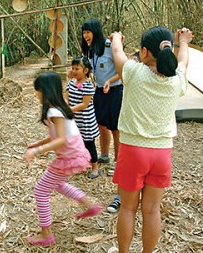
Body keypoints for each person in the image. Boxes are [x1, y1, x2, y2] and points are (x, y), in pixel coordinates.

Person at [107, 26, 193, 253]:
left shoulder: (134, 72)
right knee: (152, 211)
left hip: (133, 150)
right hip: (162, 153)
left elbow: (117, 52)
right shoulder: (176, 81)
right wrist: (183, 42)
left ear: (144, 51)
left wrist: (116, 38)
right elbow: (183, 62)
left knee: (127, 208)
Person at [23, 71, 103, 247]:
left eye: (37, 91)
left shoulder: (53, 111)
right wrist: (38, 143)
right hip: (74, 154)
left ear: (44, 91)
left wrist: (36, 151)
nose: (36, 95)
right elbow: (59, 135)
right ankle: (89, 204)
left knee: (40, 191)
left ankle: (46, 235)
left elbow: (61, 140)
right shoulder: (60, 107)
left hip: (69, 157)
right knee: (58, 184)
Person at [81, 18, 122, 213]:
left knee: (115, 128)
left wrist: (110, 81)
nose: (86, 36)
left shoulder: (109, 46)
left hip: (114, 90)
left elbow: (123, 69)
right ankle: (104, 155)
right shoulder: (90, 50)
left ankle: (118, 162)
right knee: (101, 125)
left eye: (88, 32)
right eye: (83, 33)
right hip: (99, 90)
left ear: (96, 31)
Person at [66, 57, 101, 179]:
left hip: (86, 122)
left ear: (85, 70)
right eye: (73, 68)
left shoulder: (88, 86)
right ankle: (81, 164)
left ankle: (95, 167)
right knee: (77, 144)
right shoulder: (71, 83)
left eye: (77, 68)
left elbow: (84, 104)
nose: (74, 71)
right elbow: (67, 97)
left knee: (89, 144)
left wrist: (69, 109)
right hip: (75, 121)